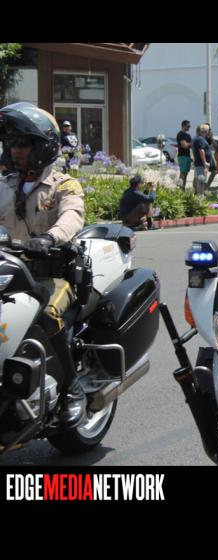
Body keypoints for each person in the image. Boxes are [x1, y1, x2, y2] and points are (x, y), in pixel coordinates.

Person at [0, 102, 87, 428]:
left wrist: (50, 238)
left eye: (23, 143)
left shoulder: (64, 185)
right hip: (10, 270)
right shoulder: (4, 185)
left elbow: (72, 215)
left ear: (43, 146)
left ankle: (72, 388)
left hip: (51, 274)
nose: (15, 150)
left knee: (47, 313)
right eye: (11, 143)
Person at [192, 123, 212, 195]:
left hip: (201, 163)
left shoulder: (200, 138)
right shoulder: (200, 139)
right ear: (206, 131)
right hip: (201, 164)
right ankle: (200, 196)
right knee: (201, 180)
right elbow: (201, 150)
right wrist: (204, 162)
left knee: (202, 181)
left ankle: (201, 195)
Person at [176, 120, 192, 189]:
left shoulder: (188, 135)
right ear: (183, 125)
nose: (189, 127)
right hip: (182, 156)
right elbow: (184, 145)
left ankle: (183, 188)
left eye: (190, 126)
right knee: (182, 173)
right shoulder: (180, 134)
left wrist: (188, 144)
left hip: (188, 155)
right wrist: (190, 144)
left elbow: (189, 145)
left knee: (186, 173)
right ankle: (180, 189)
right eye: (188, 126)